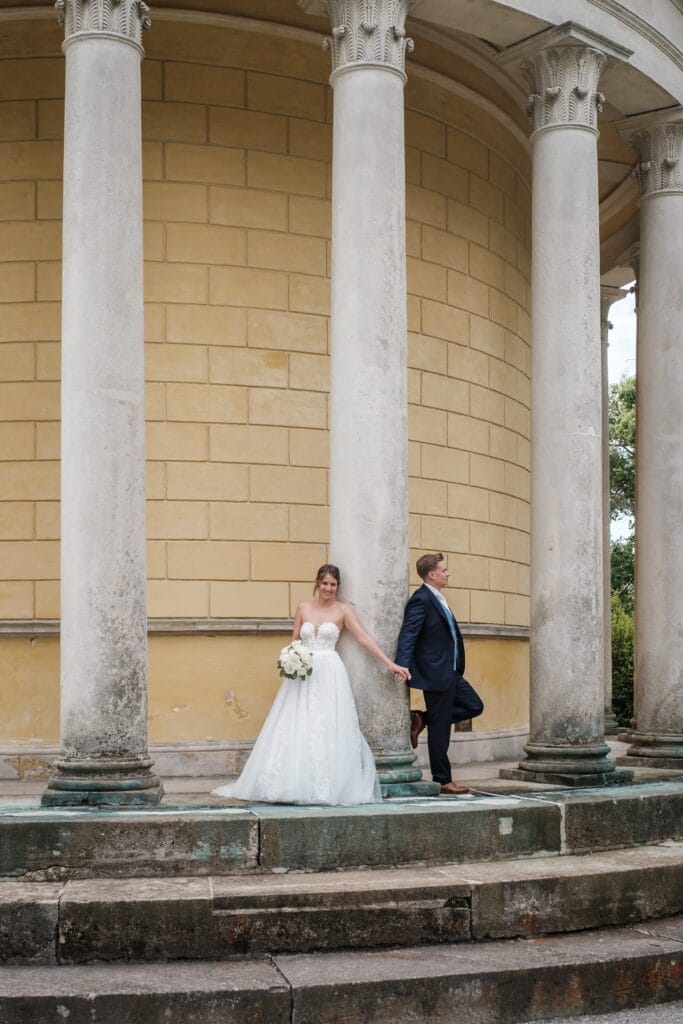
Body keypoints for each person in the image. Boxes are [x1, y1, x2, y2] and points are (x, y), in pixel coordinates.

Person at [212, 564, 410, 806]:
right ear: (318, 583)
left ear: (337, 587)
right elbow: (295, 639)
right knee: (297, 722)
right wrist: (290, 659)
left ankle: (326, 785)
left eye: (333, 584)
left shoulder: (342, 610)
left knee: (326, 724)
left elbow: (362, 638)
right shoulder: (303, 608)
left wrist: (389, 663)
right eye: (325, 583)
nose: (328, 588)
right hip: (302, 672)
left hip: (330, 672)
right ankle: (289, 782)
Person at [395, 552, 484, 795]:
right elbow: (409, 634)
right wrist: (402, 664)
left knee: (474, 706)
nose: (448, 573)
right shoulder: (421, 599)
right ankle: (443, 780)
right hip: (436, 673)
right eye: (444, 570)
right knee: (441, 730)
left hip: (450, 671)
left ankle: (423, 719)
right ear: (432, 574)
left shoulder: (438, 597)